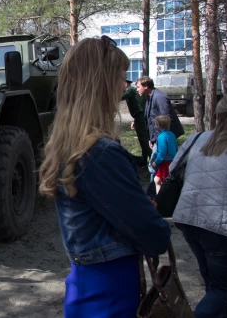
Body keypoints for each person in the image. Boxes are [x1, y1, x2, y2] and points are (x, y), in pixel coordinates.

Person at [38, 36, 171, 317]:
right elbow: (154, 237)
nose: (124, 87)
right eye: (121, 77)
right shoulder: (100, 154)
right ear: (100, 84)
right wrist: (149, 215)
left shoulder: (71, 148)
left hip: (88, 289)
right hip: (110, 295)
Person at [172, 95, 227, 317]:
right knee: (222, 288)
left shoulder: (198, 138)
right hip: (223, 226)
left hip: (189, 217)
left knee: (213, 285)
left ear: (217, 116)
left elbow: (174, 168)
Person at [135, 76, 184, 146]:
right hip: (157, 139)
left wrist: (160, 139)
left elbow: (166, 119)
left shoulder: (159, 97)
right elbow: (150, 121)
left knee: (161, 157)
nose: (137, 90)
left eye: (138, 87)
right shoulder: (149, 98)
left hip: (164, 139)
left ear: (145, 86)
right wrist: (151, 139)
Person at [122, 79, 151, 165]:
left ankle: (151, 158)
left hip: (140, 116)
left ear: (126, 84)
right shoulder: (131, 90)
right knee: (142, 139)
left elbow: (120, 97)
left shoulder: (130, 90)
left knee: (143, 138)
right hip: (139, 116)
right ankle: (144, 158)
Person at [150, 115, 177, 193]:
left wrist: (156, 162)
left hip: (165, 162)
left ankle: (160, 200)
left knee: (161, 182)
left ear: (158, 125)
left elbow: (162, 152)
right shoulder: (172, 134)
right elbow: (175, 147)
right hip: (172, 160)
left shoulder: (161, 137)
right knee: (157, 179)